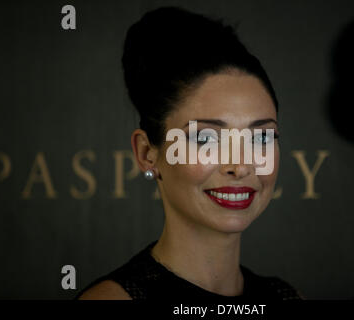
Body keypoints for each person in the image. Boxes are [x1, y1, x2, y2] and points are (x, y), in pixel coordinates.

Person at [76, 6, 302, 305]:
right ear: (147, 154)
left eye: (260, 137)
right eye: (207, 138)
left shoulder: (285, 297)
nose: (240, 165)